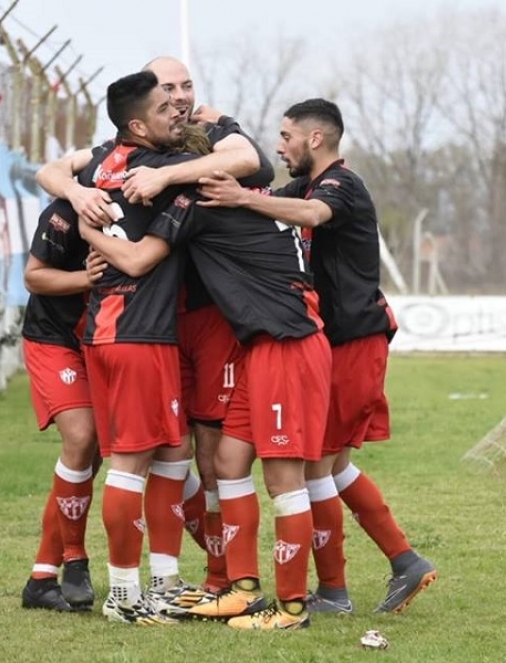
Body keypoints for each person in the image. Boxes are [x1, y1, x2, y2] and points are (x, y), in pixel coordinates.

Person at [77, 124, 331, 631]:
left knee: (284, 477)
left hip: (288, 343)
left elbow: (135, 257)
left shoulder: (197, 201)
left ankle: (292, 608)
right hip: (259, 346)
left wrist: (88, 226)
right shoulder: (234, 192)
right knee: (229, 460)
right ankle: (242, 590)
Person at [37, 59, 264, 604]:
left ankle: (163, 581)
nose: (179, 102)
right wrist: (87, 210)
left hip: (125, 329)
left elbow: (252, 160)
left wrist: (86, 196)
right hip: (139, 332)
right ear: (139, 120)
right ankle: (124, 592)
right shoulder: (164, 165)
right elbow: (138, 258)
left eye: (185, 90)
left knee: (173, 453)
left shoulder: (107, 163)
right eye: (166, 97)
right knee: (134, 461)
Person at [199, 98, 438, 615]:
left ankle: (334, 591)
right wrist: (221, 132)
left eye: (285, 136)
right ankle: (403, 561)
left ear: (315, 139)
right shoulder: (302, 185)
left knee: (316, 468)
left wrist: (242, 197)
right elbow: (260, 197)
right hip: (333, 344)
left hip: (353, 341)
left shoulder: (338, 186)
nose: (278, 146)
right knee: (332, 466)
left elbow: (309, 214)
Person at [18, 183, 106, 612]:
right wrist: (84, 279)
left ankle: (41, 577)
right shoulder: (66, 210)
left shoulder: (153, 195)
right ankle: (75, 560)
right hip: (53, 339)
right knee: (82, 437)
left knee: (91, 457)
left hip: (103, 342)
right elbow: (33, 276)